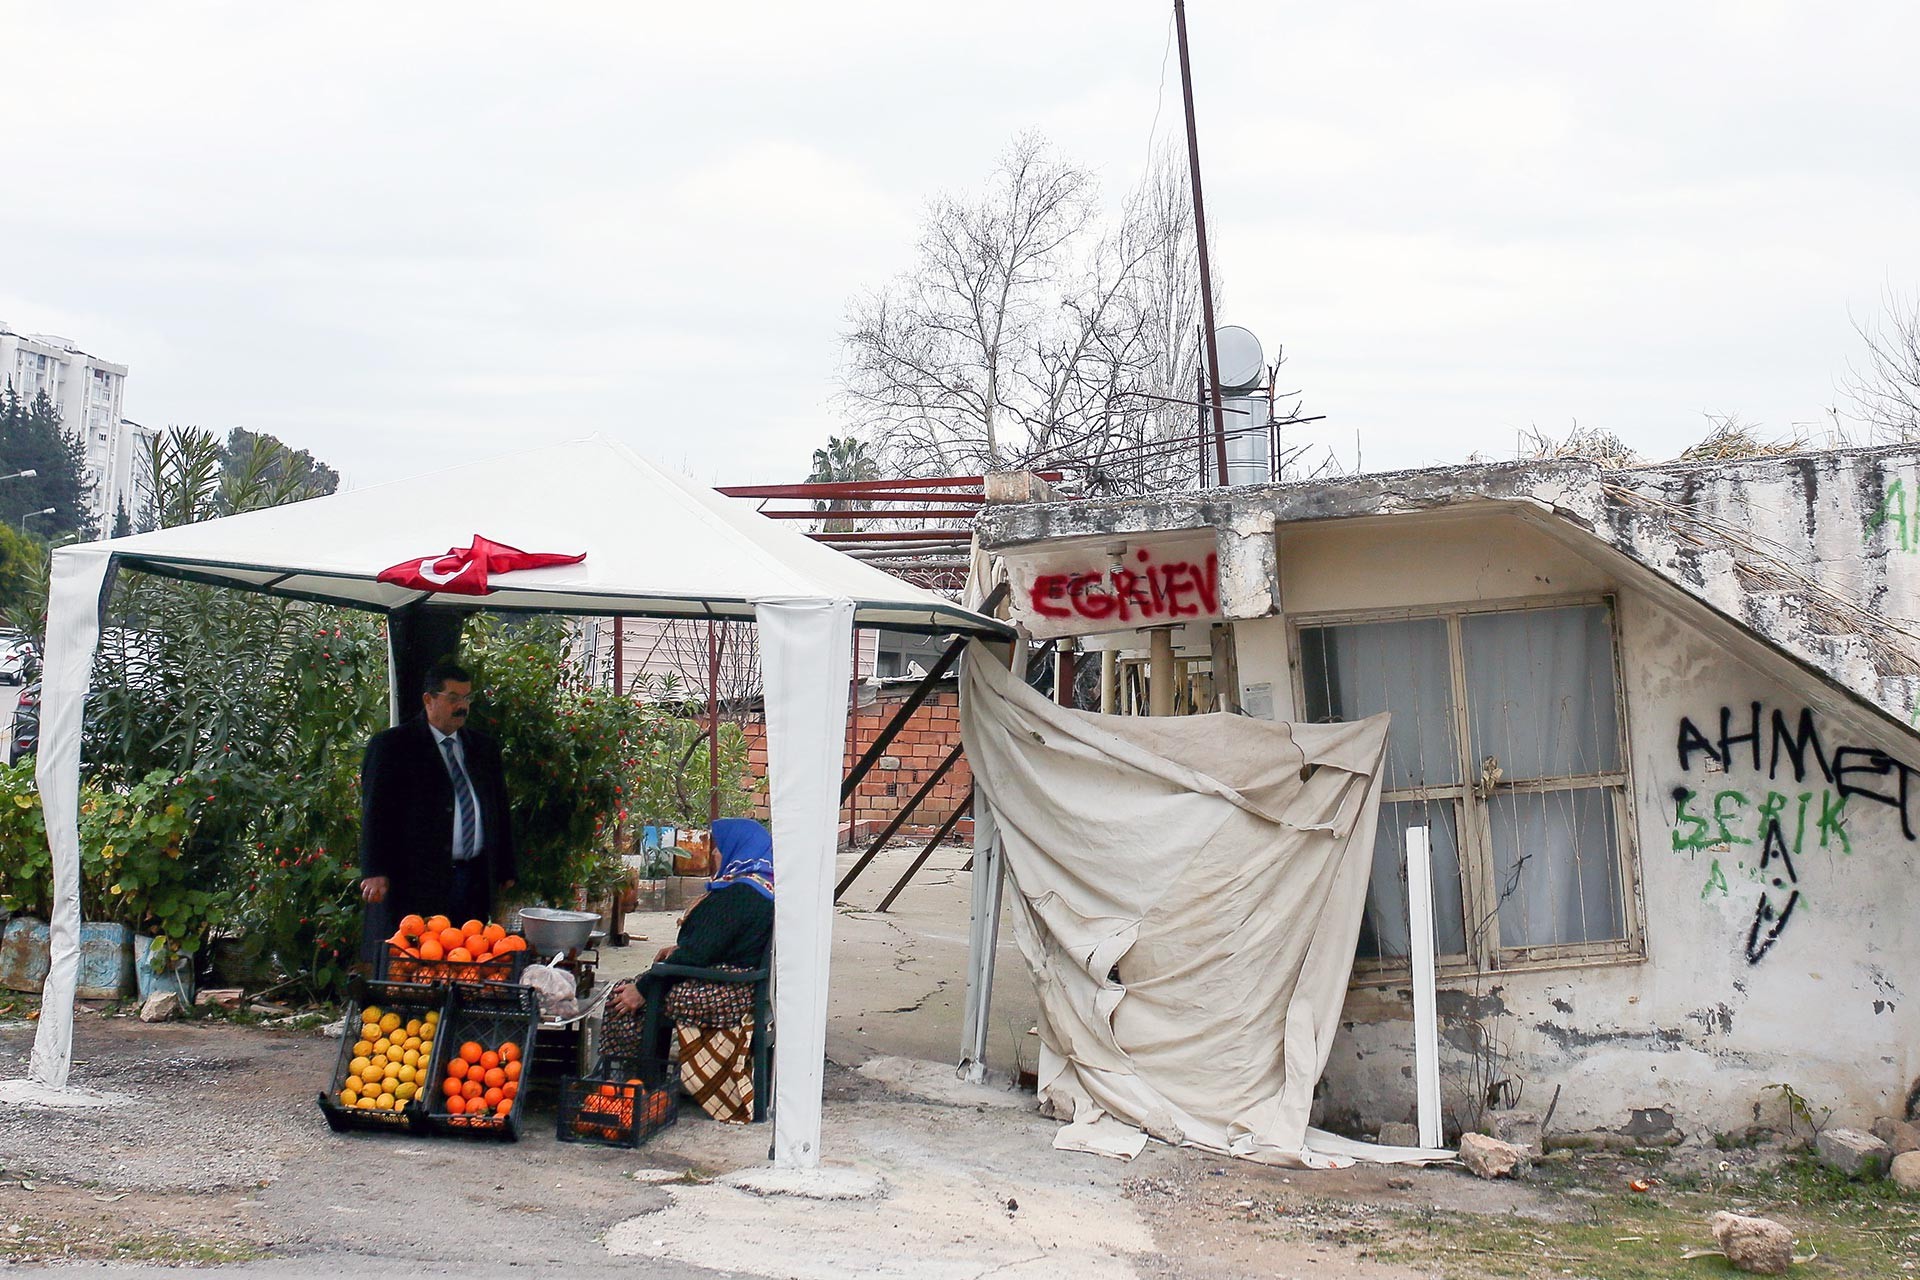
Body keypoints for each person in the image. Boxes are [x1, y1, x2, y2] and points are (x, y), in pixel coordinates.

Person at [601, 818, 773, 1119]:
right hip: (740, 982)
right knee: (650, 979)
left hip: (725, 990)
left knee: (624, 997)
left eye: (719, 849)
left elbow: (694, 956)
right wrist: (678, 953)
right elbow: (709, 945)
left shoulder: (740, 896)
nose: (715, 855)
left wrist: (642, 989)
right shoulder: (762, 884)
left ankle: (633, 1086)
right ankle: (642, 1082)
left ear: (738, 849)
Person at [359, 658, 517, 947]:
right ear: (428, 700)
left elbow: (498, 810)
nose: (463, 706)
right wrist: (373, 870)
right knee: (420, 959)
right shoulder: (393, 747)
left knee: (469, 957)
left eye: (467, 698)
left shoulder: (483, 748)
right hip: (417, 878)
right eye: (453, 698)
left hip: (475, 877)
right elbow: (375, 812)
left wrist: (505, 866)